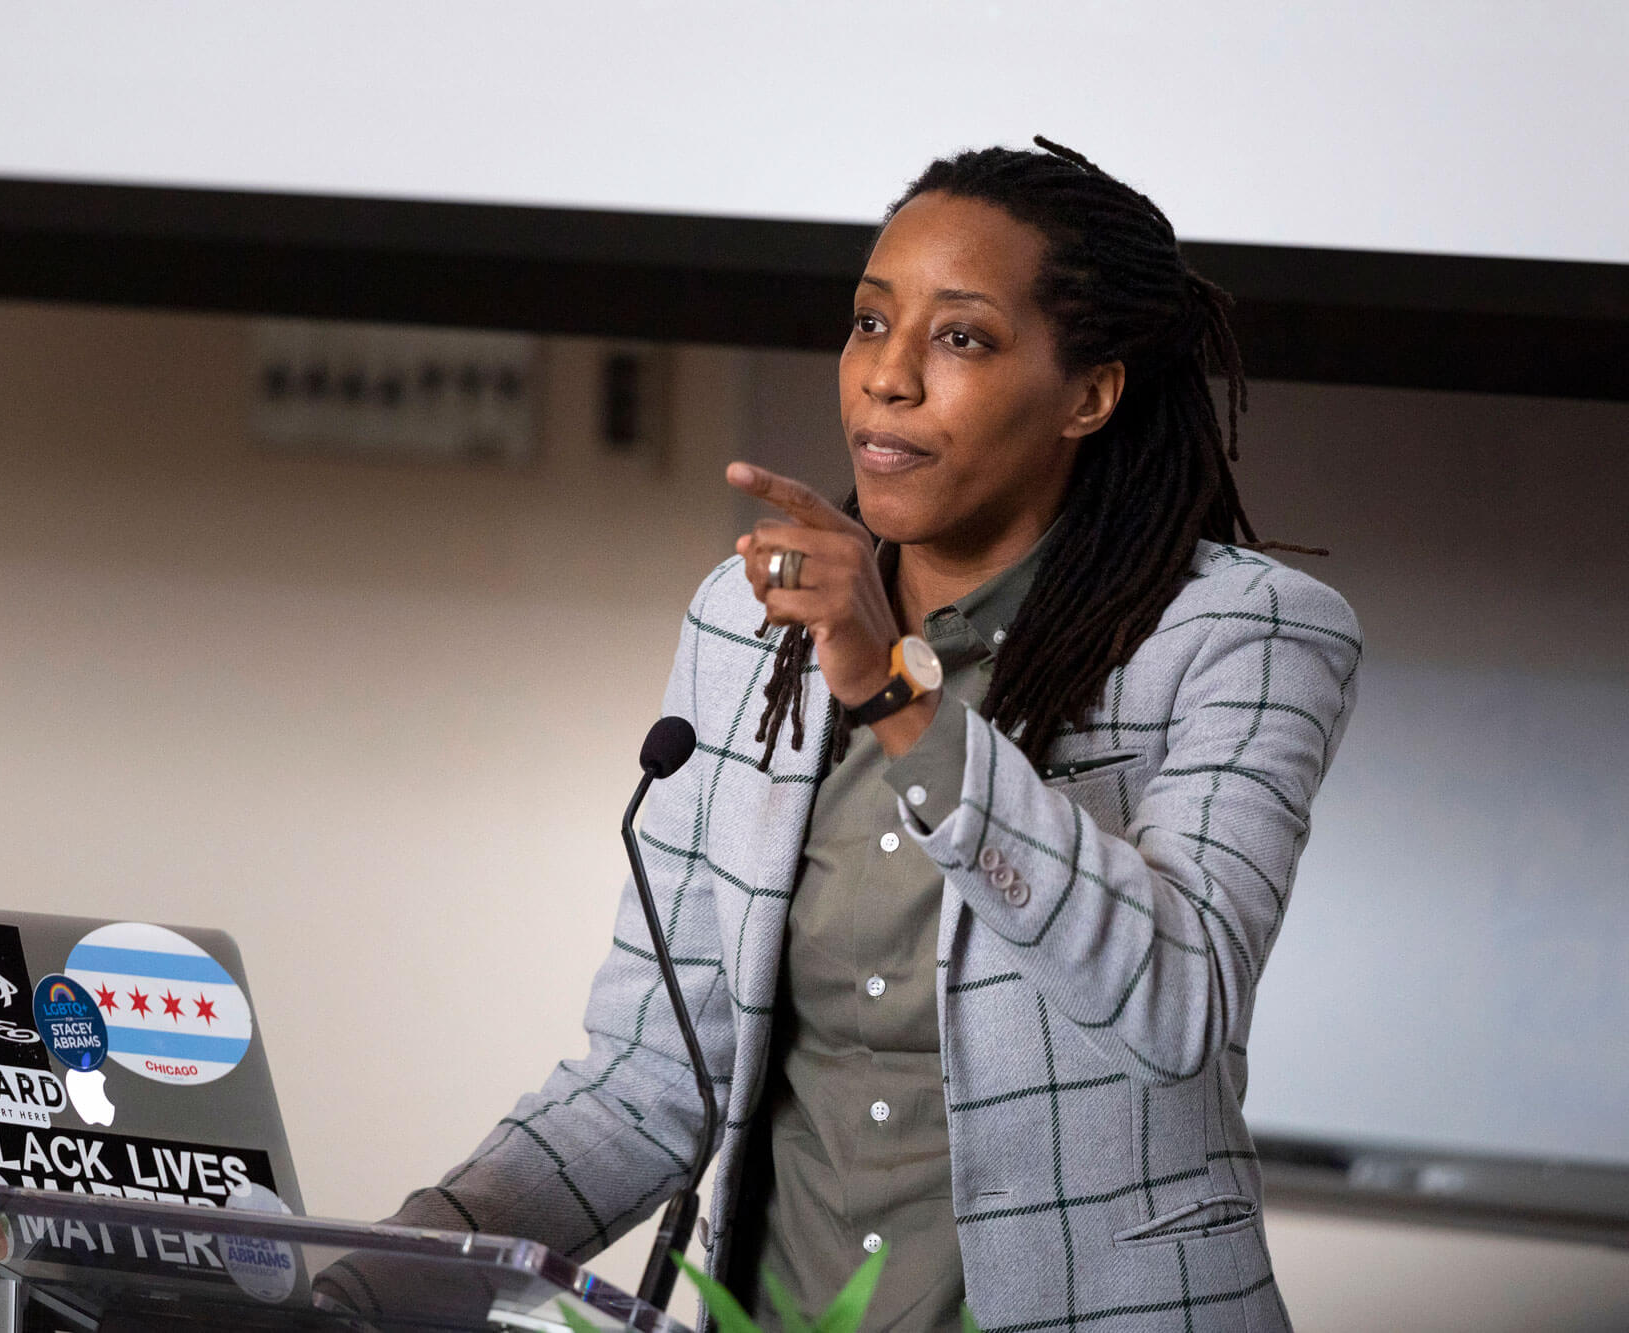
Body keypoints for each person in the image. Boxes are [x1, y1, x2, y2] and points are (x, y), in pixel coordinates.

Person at [382, 138, 1361, 1332]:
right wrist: (376, 1268)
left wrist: (897, 697)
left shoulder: (1240, 634)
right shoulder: (745, 624)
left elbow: (1176, 1000)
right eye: (866, 322)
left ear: (1089, 394)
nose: (885, 378)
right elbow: (648, 1081)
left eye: (960, 337)